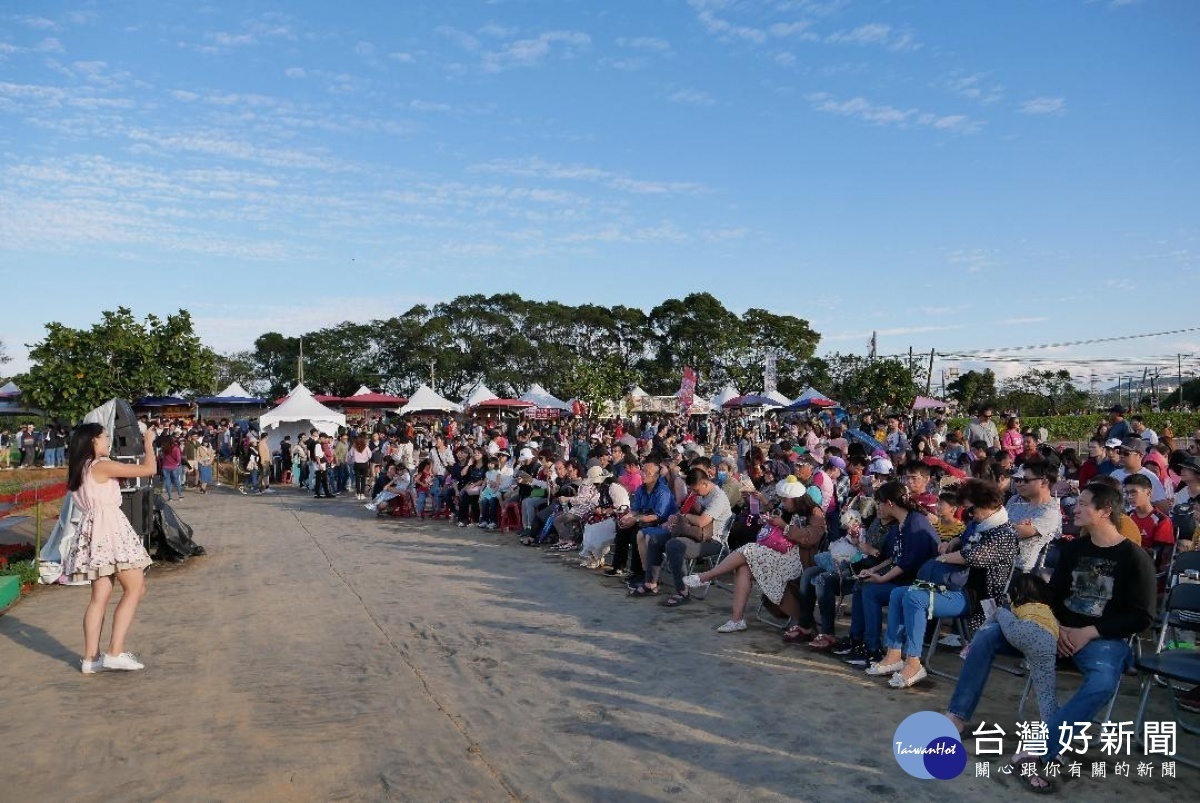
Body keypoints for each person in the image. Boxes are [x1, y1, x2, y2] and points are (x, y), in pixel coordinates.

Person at [945, 481, 1156, 793]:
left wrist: (1090, 631)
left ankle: (1041, 747)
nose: (1075, 508)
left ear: (1105, 511)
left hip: (1102, 639)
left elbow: (1142, 617)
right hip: (1056, 631)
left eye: (1084, 504)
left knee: (1102, 682)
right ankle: (957, 716)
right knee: (989, 633)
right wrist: (1053, 625)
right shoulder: (1074, 550)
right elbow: (1053, 597)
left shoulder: (1134, 558)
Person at [866, 479, 1018, 688]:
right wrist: (953, 541)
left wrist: (945, 558)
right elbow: (962, 536)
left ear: (988, 505)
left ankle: (913, 661)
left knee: (914, 598)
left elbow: (973, 556)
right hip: (952, 587)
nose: (968, 515)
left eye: (971, 509)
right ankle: (893, 654)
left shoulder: (1004, 534)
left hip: (976, 598)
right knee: (899, 593)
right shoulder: (979, 524)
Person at [64, 423, 158, 674]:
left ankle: (90, 658)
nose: (108, 441)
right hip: (110, 528)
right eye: (104, 437)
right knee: (135, 587)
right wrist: (148, 442)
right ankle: (115, 652)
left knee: (99, 598)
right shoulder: (101, 465)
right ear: (93, 441)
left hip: (92, 529)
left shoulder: (80, 468)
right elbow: (149, 469)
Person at [684, 475, 824, 632]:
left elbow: (809, 538)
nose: (783, 504)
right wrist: (771, 521)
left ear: (796, 499)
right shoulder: (790, 509)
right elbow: (780, 520)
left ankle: (707, 576)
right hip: (782, 554)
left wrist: (784, 526)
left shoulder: (815, 513)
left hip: (799, 561)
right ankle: (736, 619)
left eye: (785, 500)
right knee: (744, 567)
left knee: (749, 549)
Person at [839, 480, 940, 667]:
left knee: (871, 591)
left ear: (890, 504)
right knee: (862, 584)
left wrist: (882, 578)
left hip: (921, 583)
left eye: (880, 503)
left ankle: (873, 649)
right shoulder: (899, 525)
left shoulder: (915, 523)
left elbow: (908, 562)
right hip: (905, 577)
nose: (878, 507)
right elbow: (893, 558)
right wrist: (872, 571)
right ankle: (858, 640)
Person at [649, 467, 733, 607]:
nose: (694, 493)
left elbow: (702, 521)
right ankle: (650, 583)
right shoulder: (701, 493)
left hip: (712, 540)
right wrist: (675, 518)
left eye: (696, 490)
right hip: (694, 534)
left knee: (674, 545)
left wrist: (685, 517)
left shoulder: (718, 498)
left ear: (705, 483)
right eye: (692, 490)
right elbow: (689, 514)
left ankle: (682, 592)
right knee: (655, 539)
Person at [1006, 458, 1063, 572]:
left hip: (1021, 571)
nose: (1020, 483)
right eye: (1019, 479)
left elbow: (1018, 532)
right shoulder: (1016, 505)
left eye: (1026, 480)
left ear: (1044, 482)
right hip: (999, 564)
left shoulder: (1050, 512)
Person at [160, 434, 184, 501]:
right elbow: (179, 459)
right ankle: (180, 496)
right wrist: (178, 463)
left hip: (165, 467)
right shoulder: (176, 449)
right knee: (177, 481)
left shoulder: (164, 448)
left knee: (167, 482)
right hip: (174, 467)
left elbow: (161, 457)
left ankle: (170, 497)